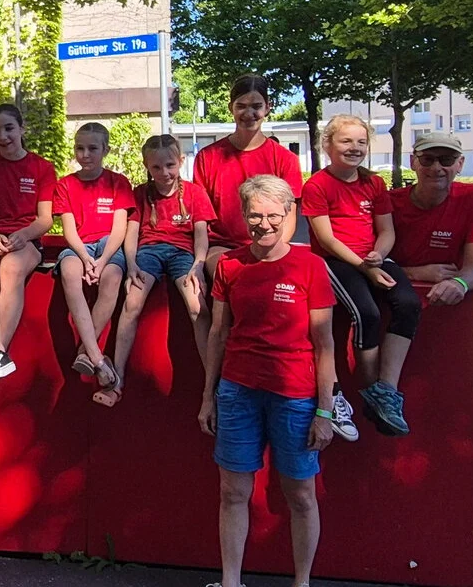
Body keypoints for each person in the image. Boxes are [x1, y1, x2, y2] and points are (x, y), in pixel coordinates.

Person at [198, 175, 336, 587]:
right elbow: (218, 334)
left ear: (290, 213)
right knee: (232, 493)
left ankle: (302, 583)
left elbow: (324, 343)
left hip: (295, 395)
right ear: (243, 216)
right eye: (255, 215)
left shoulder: (310, 265)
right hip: (238, 391)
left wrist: (325, 411)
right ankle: (230, 582)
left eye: (274, 215)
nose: (265, 224)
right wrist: (209, 397)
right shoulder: (230, 265)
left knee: (301, 496)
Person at [303, 115, 421, 439]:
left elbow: (386, 231)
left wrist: (378, 257)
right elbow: (326, 240)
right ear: (328, 146)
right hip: (336, 260)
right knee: (366, 312)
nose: (355, 148)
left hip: (372, 257)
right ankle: (370, 389)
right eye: (346, 141)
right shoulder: (317, 185)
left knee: (408, 303)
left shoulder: (374, 183)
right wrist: (365, 267)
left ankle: (385, 390)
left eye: (361, 142)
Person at [102, 134, 215, 408]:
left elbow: (201, 234)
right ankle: (116, 377)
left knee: (197, 306)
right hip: (149, 252)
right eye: (156, 167)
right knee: (132, 303)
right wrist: (131, 266)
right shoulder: (141, 194)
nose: (164, 173)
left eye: (170, 165)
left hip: (183, 253)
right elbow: (132, 232)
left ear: (180, 162)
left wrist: (199, 265)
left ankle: (214, 382)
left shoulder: (195, 193)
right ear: (147, 166)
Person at [0, 104, 56, 389]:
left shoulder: (42, 167)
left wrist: (24, 235)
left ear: (21, 129)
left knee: (12, 269)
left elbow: (45, 220)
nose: (2, 136)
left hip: (25, 238)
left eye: (8, 129)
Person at [194, 75, 303, 276]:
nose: (249, 113)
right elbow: (201, 218)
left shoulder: (285, 159)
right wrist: (198, 261)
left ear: (267, 108)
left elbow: (289, 216)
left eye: (256, 106)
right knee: (233, 275)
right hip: (222, 247)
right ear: (231, 108)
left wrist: (270, 249)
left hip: (270, 244)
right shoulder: (207, 157)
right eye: (241, 106)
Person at [54, 122, 135, 392]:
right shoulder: (65, 184)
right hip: (80, 245)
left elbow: (119, 228)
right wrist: (86, 259)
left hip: (108, 246)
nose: (85, 154)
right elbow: (68, 230)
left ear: (105, 150)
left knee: (112, 277)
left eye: (92, 148)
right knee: (69, 271)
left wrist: (102, 261)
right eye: (80, 148)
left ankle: (83, 352)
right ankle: (97, 357)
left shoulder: (118, 183)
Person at [390, 131, 473, 306]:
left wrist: (459, 283)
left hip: (448, 305)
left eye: (447, 160)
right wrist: (414, 273)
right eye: (427, 159)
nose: (436, 168)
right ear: (413, 162)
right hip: (392, 301)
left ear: (460, 164)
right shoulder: (389, 202)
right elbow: (368, 265)